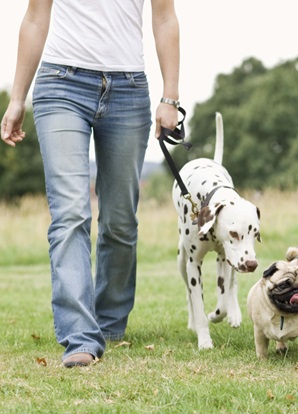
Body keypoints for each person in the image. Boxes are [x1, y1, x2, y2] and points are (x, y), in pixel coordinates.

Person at [1, 0, 181, 367]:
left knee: (120, 221)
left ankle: (111, 324)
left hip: (128, 89)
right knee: (70, 213)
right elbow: (35, 18)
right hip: (61, 84)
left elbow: (165, 18)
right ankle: (80, 336)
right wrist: (17, 98)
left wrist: (170, 97)